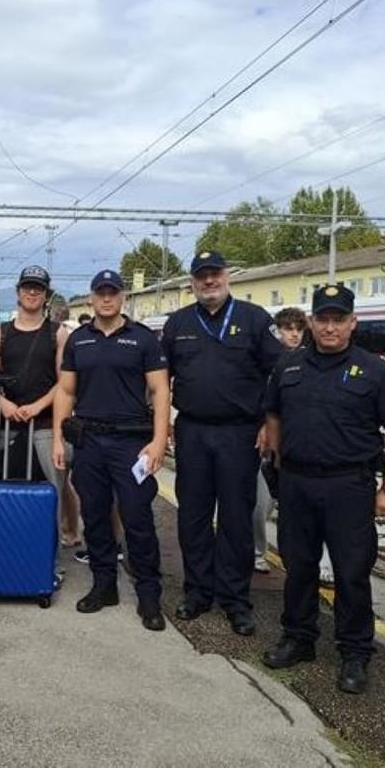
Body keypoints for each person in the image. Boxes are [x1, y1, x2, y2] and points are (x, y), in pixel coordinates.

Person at [261, 283, 385, 695]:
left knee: (351, 573)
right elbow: (273, 412)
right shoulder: (288, 367)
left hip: (349, 485)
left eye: (338, 319)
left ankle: (355, 651)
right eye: (322, 319)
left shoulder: (377, 372)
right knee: (298, 566)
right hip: (297, 483)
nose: (329, 327)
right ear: (310, 321)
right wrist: (275, 458)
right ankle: (299, 637)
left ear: (352, 322)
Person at [161, 250, 282, 637]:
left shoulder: (254, 320)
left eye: (215, 274)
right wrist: (162, 426)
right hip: (193, 432)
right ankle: (197, 592)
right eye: (201, 276)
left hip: (239, 434)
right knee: (192, 516)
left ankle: (235, 598)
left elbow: (278, 374)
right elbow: (161, 381)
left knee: (236, 518)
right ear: (192, 281)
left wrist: (268, 422)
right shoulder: (177, 323)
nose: (209, 282)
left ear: (227, 277)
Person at [53, 269, 171, 632]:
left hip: (131, 443)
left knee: (137, 517)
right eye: (100, 292)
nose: (106, 298)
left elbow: (161, 390)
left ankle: (149, 594)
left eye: (113, 292)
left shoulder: (143, 339)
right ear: (91, 298)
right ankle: (104, 585)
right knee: (96, 515)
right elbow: (66, 391)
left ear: (122, 298)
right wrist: (59, 438)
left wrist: (158, 440)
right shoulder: (79, 341)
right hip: (89, 441)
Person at [0, 266, 74, 544]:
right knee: (2, 489)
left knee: (52, 493)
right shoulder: (0, 333)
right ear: (18, 293)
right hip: (6, 426)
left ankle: (48, 554)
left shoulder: (58, 334)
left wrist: (38, 405)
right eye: (27, 287)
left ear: (47, 295)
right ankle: (2, 546)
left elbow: (65, 382)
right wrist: (2, 403)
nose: (32, 292)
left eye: (38, 288)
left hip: (46, 426)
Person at [253, 306, 309, 573]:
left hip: (297, 442)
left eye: (299, 329)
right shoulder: (266, 363)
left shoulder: (310, 363)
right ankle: (256, 550)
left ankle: (300, 558)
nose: (294, 335)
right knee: (260, 502)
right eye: (289, 329)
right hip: (266, 443)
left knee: (293, 506)